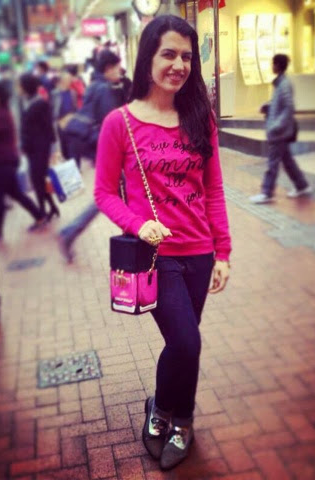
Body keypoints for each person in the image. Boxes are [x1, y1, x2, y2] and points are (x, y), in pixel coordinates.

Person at [94, 15, 231, 470]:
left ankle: (161, 407)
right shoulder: (120, 123)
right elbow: (103, 193)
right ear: (148, 57)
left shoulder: (199, 117)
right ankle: (181, 419)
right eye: (168, 54)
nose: (179, 65)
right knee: (187, 342)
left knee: (180, 344)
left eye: (186, 57)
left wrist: (223, 252)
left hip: (200, 252)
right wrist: (137, 224)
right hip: (155, 257)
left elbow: (214, 189)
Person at [58, 50, 123, 262]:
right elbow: (110, 124)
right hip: (102, 146)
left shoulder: (94, 85)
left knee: (111, 193)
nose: (120, 71)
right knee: (110, 194)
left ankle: (70, 232)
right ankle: (70, 231)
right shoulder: (104, 89)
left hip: (90, 144)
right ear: (108, 68)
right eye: (117, 67)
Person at [0, 81, 46, 241]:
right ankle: (39, 216)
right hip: (5, 160)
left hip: (2, 161)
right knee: (15, 193)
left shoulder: (0, 114)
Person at [250, 54, 311, 204]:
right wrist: (267, 106)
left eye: (273, 63)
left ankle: (267, 193)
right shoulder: (280, 83)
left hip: (279, 133)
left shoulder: (284, 84)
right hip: (280, 132)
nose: (272, 66)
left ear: (278, 65)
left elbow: (289, 108)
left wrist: (276, 126)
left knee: (272, 163)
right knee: (287, 161)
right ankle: (302, 185)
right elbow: (279, 104)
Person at [19, 73, 60, 221]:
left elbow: (48, 127)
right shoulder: (26, 102)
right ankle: (52, 208)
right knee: (39, 180)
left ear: (26, 86)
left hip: (41, 149)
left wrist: (53, 150)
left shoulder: (40, 103)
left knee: (38, 180)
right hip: (32, 149)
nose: (18, 88)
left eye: (20, 85)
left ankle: (43, 211)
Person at [51, 73, 77, 159]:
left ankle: (70, 159)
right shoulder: (55, 93)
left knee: (71, 143)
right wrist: (56, 120)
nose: (69, 82)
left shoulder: (73, 93)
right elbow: (52, 108)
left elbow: (74, 106)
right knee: (62, 143)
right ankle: (66, 158)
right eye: (67, 80)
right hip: (59, 121)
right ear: (62, 81)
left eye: (70, 80)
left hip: (70, 120)